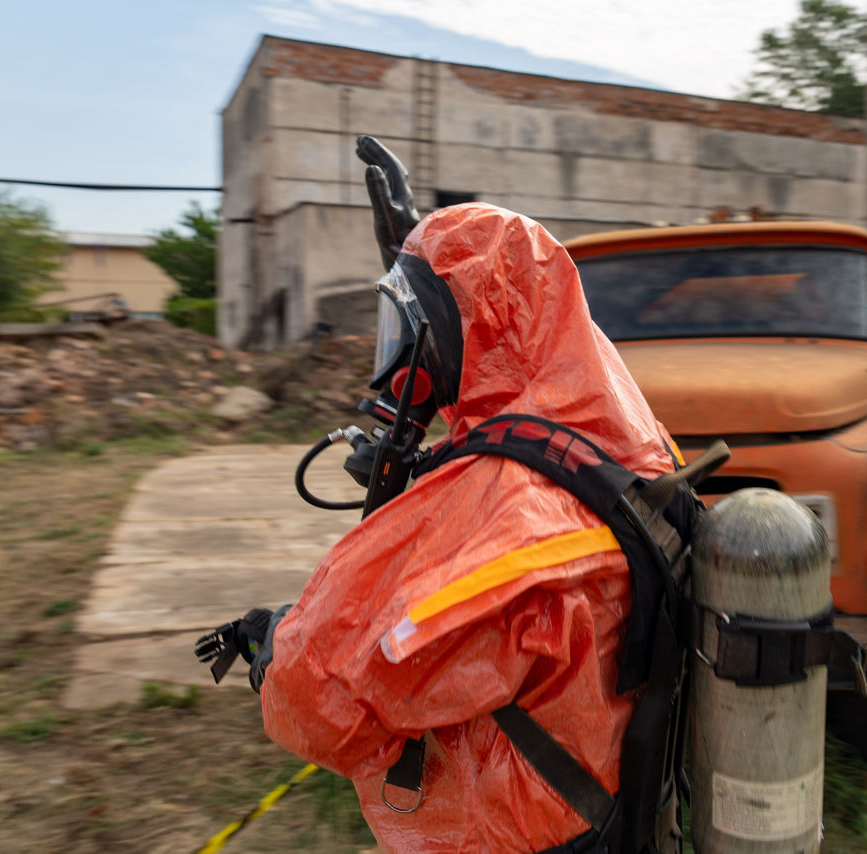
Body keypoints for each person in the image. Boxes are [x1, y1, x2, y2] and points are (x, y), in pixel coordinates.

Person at [234, 191, 685, 850]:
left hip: (519, 834)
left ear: (475, 323)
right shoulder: (627, 449)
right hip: (615, 805)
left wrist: (271, 643)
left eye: (412, 330)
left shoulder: (498, 508)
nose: (404, 358)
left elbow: (321, 707)